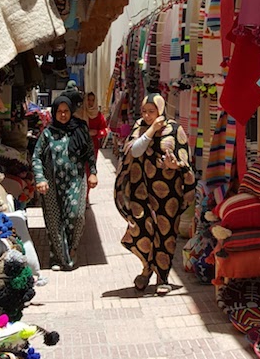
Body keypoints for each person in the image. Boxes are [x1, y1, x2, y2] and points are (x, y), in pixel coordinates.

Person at [114, 93, 195, 295]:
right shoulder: (140, 127)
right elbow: (133, 152)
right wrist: (151, 130)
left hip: (169, 194)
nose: (148, 115)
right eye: (145, 111)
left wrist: (175, 165)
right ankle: (146, 269)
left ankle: (162, 276)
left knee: (166, 234)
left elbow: (185, 158)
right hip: (141, 191)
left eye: (152, 111)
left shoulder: (175, 129)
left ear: (161, 110)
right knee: (141, 229)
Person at [32, 93, 98, 271]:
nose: (62, 115)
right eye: (59, 111)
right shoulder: (47, 133)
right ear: (54, 112)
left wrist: (93, 173)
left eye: (66, 111)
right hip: (52, 183)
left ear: (71, 112)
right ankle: (57, 257)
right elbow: (36, 157)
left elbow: (90, 153)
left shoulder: (80, 129)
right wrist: (40, 178)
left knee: (76, 216)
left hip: (75, 180)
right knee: (54, 220)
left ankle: (72, 249)